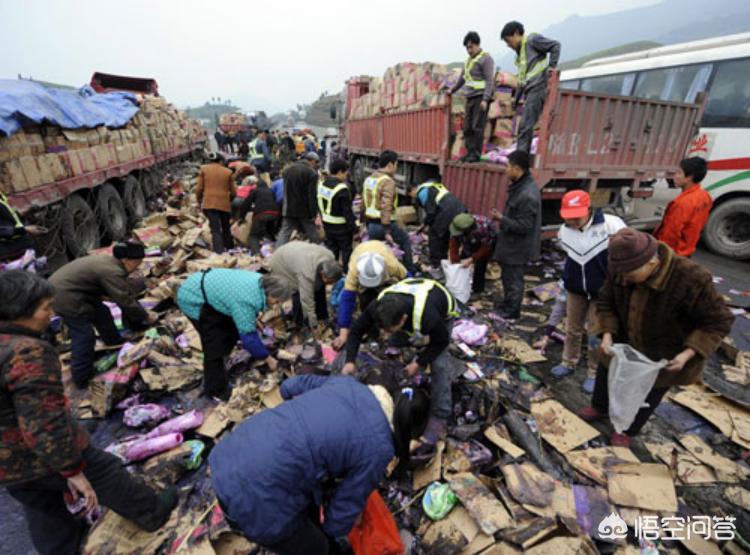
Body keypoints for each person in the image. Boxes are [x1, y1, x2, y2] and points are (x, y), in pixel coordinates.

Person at [0, 271, 177, 555]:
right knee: (105, 471)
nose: (51, 314)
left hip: (8, 464)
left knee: (40, 503)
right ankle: (152, 512)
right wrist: (72, 469)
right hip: (35, 451)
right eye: (45, 308)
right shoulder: (25, 351)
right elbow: (44, 423)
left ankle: (61, 549)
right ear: (20, 311)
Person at [209, 375, 428, 555]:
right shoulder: (380, 447)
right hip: (257, 495)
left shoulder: (349, 384)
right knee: (318, 548)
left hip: (232, 451)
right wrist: (336, 530)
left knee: (308, 503)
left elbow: (289, 387)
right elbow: (342, 511)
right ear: (407, 430)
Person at [578, 228, 734, 447]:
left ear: (653, 263)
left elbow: (719, 321)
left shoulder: (692, 278)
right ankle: (600, 408)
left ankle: (627, 429)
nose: (624, 279)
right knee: (606, 373)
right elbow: (605, 302)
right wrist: (607, 334)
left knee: (648, 392)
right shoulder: (621, 268)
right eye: (621, 274)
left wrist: (687, 355)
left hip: (665, 352)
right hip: (622, 340)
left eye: (631, 276)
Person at [343, 278, 459, 462]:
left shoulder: (427, 315)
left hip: (442, 307)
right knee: (394, 342)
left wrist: (419, 362)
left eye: (390, 328)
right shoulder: (378, 307)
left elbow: (441, 341)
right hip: (410, 300)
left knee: (439, 365)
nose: (386, 333)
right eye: (384, 328)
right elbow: (356, 331)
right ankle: (404, 343)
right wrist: (350, 361)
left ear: (404, 319)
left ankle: (440, 414)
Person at [49, 242, 157, 388]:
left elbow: (116, 294)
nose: (138, 266)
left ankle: (113, 341)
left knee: (102, 312)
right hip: (64, 297)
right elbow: (124, 300)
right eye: (137, 263)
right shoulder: (112, 270)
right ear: (126, 260)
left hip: (75, 291)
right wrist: (145, 316)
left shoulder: (109, 262)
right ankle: (82, 378)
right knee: (84, 335)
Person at [552, 190, 626, 392]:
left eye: (577, 216)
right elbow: (570, 257)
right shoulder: (564, 231)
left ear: (589, 209)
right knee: (572, 328)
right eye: (569, 216)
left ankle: (593, 371)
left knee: (594, 332)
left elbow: (626, 252)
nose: (573, 220)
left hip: (601, 291)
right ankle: (568, 361)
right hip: (576, 288)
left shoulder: (611, 225)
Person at [176, 270, 290, 400]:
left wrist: (253, 319)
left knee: (230, 329)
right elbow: (249, 339)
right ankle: (216, 389)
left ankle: (226, 353)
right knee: (214, 345)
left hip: (208, 290)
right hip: (194, 298)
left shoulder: (260, 282)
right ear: (270, 294)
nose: (276, 304)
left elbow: (241, 310)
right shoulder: (247, 300)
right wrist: (269, 360)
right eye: (276, 301)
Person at [491, 150, 541, 319]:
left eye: (508, 167)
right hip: (511, 244)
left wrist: (501, 219)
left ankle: (512, 311)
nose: (506, 170)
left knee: (514, 280)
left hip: (518, 247)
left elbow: (525, 226)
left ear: (517, 168)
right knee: (508, 278)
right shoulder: (520, 187)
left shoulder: (527, 194)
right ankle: (507, 304)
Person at [332, 241, 408, 350]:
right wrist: (343, 333)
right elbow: (347, 300)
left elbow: (408, 280)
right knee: (367, 303)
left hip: (383, 260)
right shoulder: (354, 270)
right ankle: (373, 333)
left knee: (393, 301)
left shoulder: (391, 264)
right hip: (360, 252)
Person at [500, 21, 560, 154]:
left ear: (516, 34)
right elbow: (522, 80)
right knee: (523, 126)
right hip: (530, 90)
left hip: (539, 87)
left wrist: (551, 68)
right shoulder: (520, 54)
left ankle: (521, 159)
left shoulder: (532, 40)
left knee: (525, 125)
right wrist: (515, 100)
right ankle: (521, 154)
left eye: (508, 40)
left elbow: (556, 46)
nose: (508, 45)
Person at [270, 241, 342, 334]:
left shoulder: (330, 256)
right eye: (330, 281)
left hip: (296, 252)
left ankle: (322, 317)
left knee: (319, 287)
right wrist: (314, 325)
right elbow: (307, 302)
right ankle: (299, 323)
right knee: (299, 291)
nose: (331, 284)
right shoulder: (307, 273)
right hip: (281, 262)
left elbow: (320, 284)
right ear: (323, 274)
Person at [363, 150, 417, 273]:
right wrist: (387, 230)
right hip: (384, 225)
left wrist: (365, 224)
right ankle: (409, 271)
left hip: (371, 224)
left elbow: (364, 203)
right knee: (405, 240)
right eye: (396, 165)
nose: (396, 168)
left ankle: (374, 273)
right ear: (390, 165)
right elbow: (386, 206)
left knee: (375, 251)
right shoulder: (387, 181)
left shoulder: (369, 179)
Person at [447, 32, 496, 163]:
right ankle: (469, 152)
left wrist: (486, 99)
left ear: (477, 44)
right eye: (467, 48)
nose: (469, 50)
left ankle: (475, 154)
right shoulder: (468, 61)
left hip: (481, 98)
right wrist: (453, 89)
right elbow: (462, 78)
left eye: (471, 47)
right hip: (470, 97)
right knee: (467, 127)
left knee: (477, 127)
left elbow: (489, 80)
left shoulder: (486, 59)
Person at [653, 157, 712, 257]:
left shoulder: (683, 203)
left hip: (674, 253)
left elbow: (670, 233)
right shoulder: (705, 196)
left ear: (689, 177)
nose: (675, 176)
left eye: (679, 173)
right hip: (687, 249)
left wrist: (662, 253)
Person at [410, 181, 466, 274]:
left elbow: (431, 212)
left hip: (446, 211)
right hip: (459, 208)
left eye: (411, 195)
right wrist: (426, 224)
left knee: (435, 236)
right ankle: (449, 264)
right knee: (449, 237)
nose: (413, 197)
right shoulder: (432, 185)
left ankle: (436, 266)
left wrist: (426, 224)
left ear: (413, 190)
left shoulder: (422, 192)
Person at [318, 159, 357, 268]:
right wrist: (354, 229)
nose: (346, 175)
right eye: (345, 172)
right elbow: (347, 212)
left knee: (332, 250)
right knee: (346, 251)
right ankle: (345, 272)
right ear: (340, 172)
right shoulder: (342, 189)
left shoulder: (322, 184)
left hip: (327, 224)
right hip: (341, 227)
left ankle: (331, 272)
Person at [448, 213, 498, 295]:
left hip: (485, 242)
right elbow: (454, 244)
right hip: (469, 239)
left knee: (480, 264)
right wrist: (455, 264)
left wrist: (472, 259)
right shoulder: (457, 226)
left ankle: (477, 290)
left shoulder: (483, 228)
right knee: (462, 261)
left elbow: (486, 247)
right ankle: (461, 285)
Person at [196, 152, 236, 253]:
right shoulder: (228, 172)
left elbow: (199, 189)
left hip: (209, 204)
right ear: (221, 161)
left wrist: (200, 200)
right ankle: (230, 248)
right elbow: (234, 192)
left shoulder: (204, 170)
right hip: (224, 204)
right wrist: (228, 200)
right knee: (226, 227)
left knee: (215, 229)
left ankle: (219, 252)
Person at [276, 159, 320, 246]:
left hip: (288, 207)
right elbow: (312, 195)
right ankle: (319, 250)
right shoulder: (311, 173)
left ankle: (278, 251)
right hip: (304, 209)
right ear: (311, 162)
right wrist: (313, 213)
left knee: (285, 231)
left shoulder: (287, 170)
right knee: (311, 231)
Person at [0, 190, 46, 261]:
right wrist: (25, 229)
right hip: (9, 249)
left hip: (18, 244)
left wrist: (24, 212)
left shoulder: (1, 197)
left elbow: (7, 218)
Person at [239, 178, 280, 254]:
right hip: (274, 214)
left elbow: (245, 204)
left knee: (254, 236)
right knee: (270, 234)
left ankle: (257, 254)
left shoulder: (255, 191)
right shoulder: (271, 191)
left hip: (261, 214)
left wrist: (241, 217)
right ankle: (275, 252)